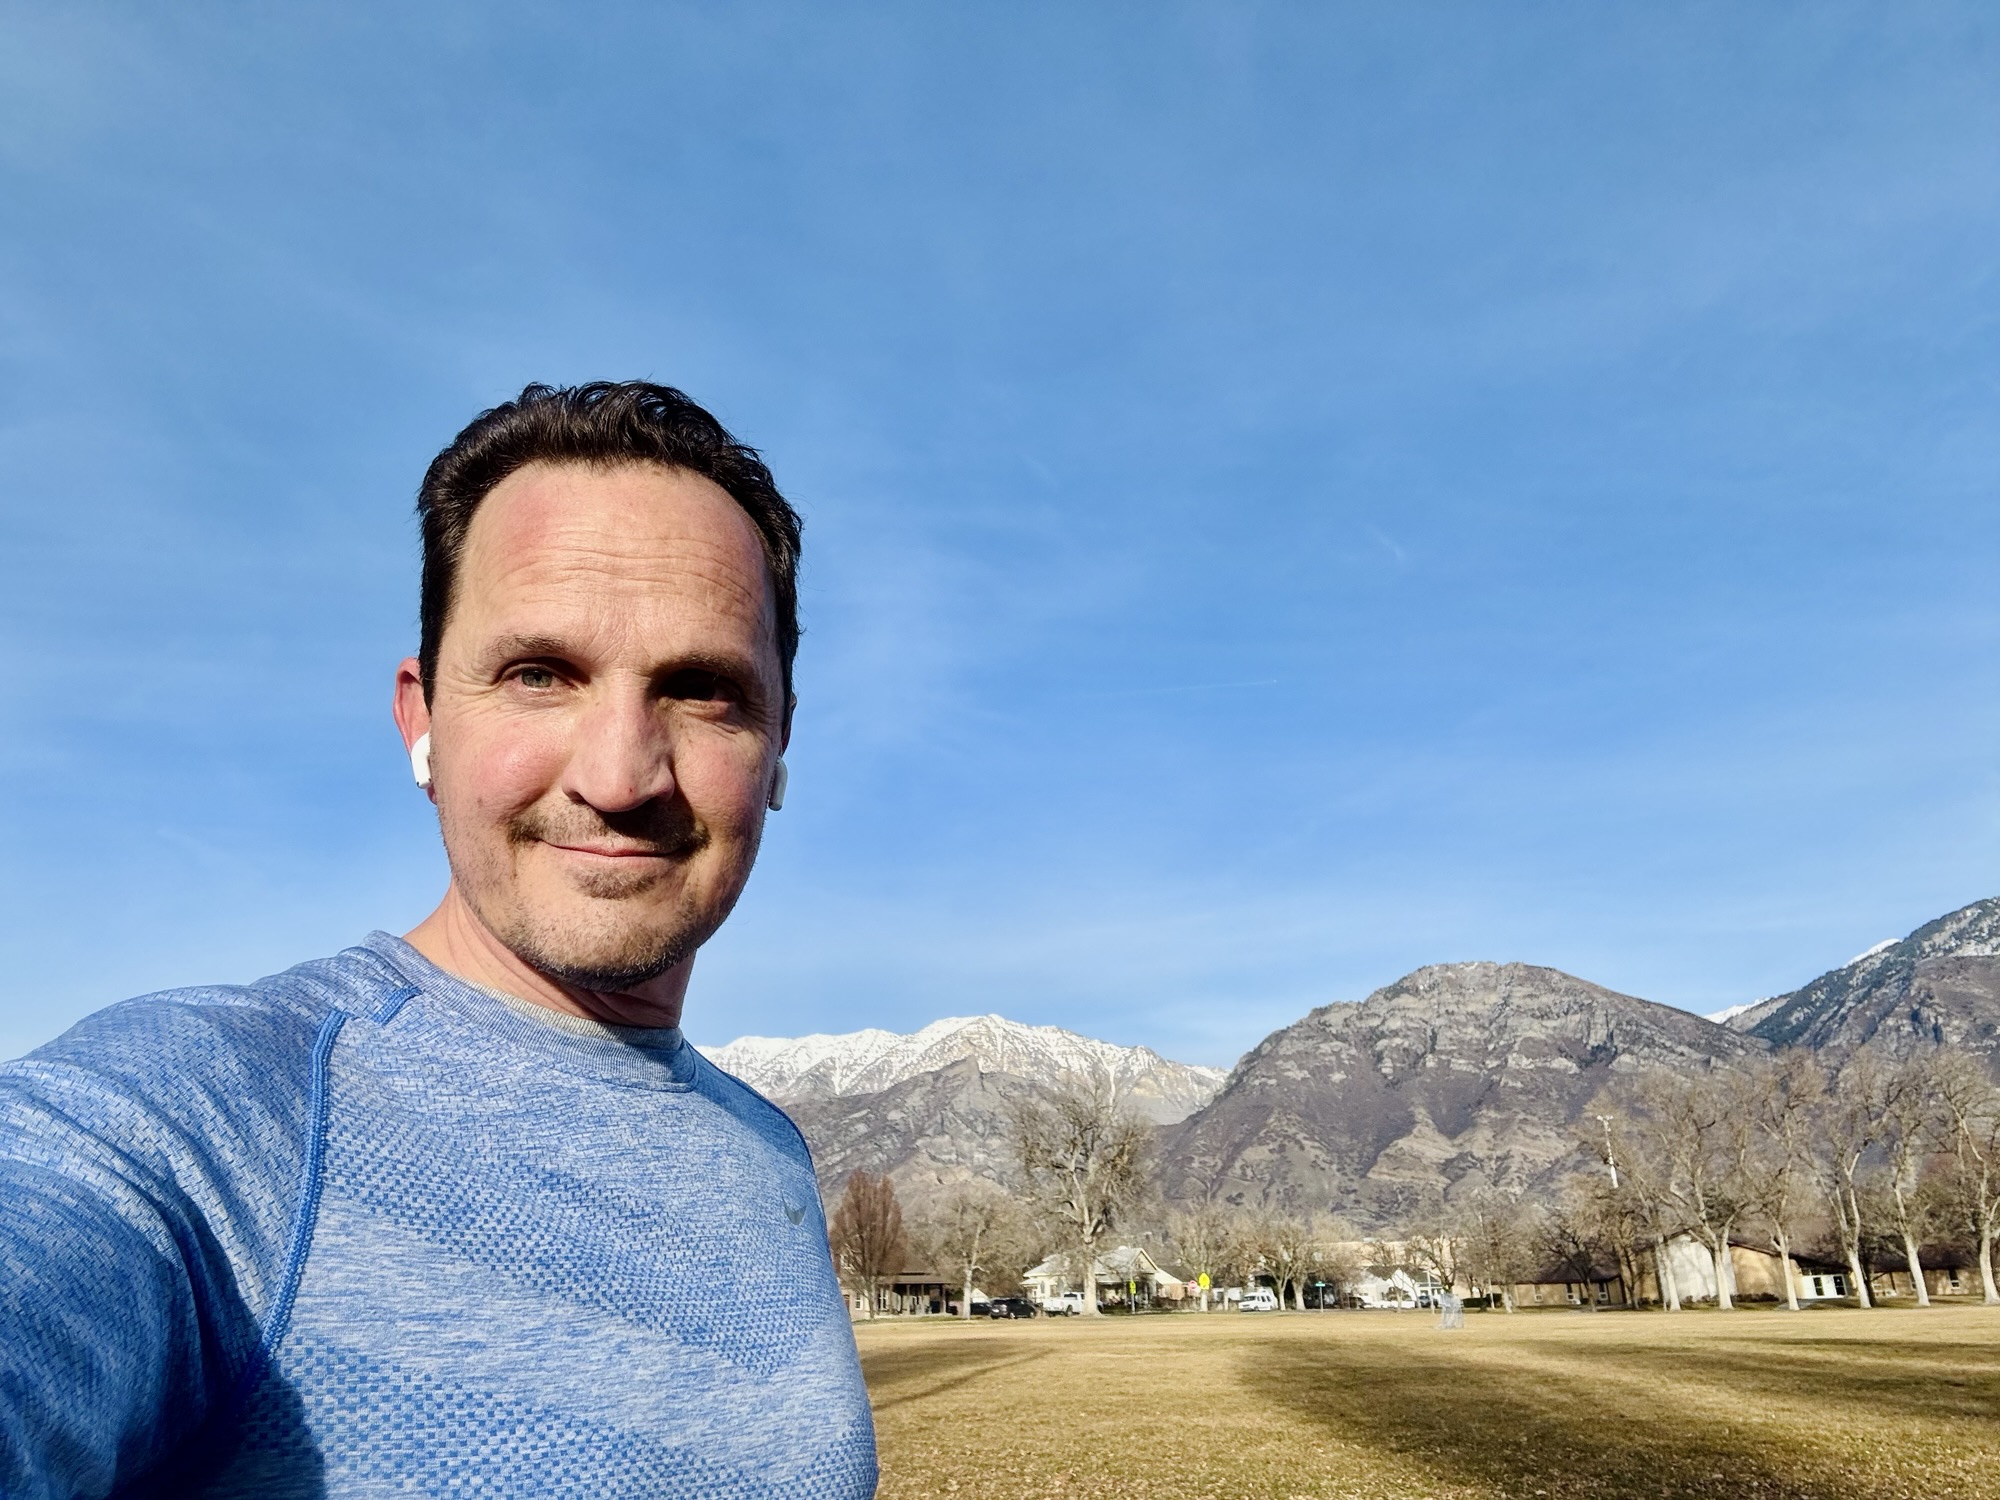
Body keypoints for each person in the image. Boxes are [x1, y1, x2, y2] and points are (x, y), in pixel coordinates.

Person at [0, 382, 878, 1498]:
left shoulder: (769, 1152)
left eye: (702, 692)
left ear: (777, 743)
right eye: (538, 675)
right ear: (422, 720)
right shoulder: (210, 1114)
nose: (617, 777)